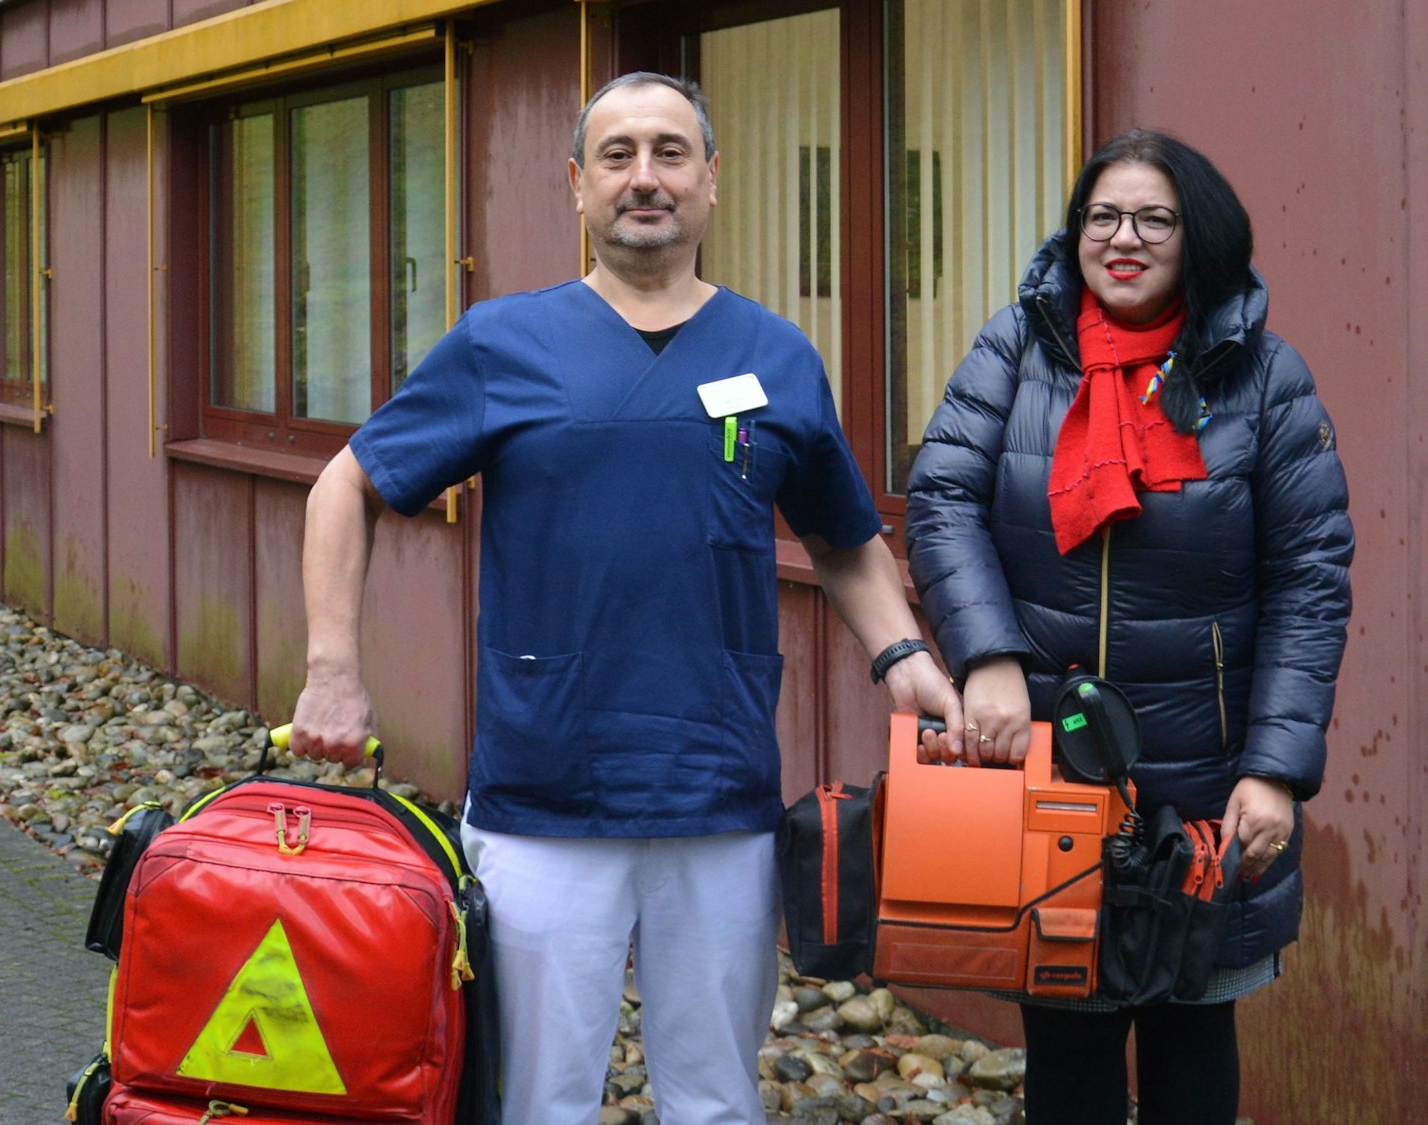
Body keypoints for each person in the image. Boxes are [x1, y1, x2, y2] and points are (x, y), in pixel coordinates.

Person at [290, 71, 958, 1125]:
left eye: (668, 152)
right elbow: (348, 484)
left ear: (711, 180)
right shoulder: (501, 344)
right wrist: (333, 671)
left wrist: (904, 657)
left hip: (718, 800)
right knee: (535, 1099)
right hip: (543, 799)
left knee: (713, 1098)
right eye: (616, 155)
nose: (643, 177)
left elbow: (841, 537)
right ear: (575, 184)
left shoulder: (775, 357)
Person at [904, 128, 1353, 1124]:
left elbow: (1308, 578)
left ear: (1200, 239)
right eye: (1101, 216)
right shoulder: (1018, 345)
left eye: (1154, 218)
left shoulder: (1263, 377)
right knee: (1066, 1033)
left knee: (1193, 1036)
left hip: (1206, 766)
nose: (1124, 238)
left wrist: (1273, 769)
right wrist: (986, 658)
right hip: (1048, 755)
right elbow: (939, 499)